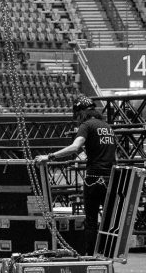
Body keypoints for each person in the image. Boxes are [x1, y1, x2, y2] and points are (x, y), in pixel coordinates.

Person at [36, 96, 117, 255]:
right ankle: (107, 259)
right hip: (111, 179)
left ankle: (90, 257)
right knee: (108, 222)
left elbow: (75, 147)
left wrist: (50, 156)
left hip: (94, 179)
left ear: (81, 113)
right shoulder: (108, 127)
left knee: (91, 222)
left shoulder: (86, 126)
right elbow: (114, 155)